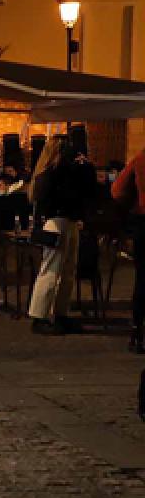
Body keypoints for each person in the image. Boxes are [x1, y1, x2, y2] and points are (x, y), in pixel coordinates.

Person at [28, 137, 96, 335]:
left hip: (69, 220)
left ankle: (60, 313)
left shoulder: (54, 173)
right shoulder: (51, 174)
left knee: (67, 272)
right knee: (51, 270)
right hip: (57, 221)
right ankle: (39, 315)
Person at [112, 150, 145, 352]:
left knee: (142, 279)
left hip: (143, 223)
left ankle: (137, 329)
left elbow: (117, 190)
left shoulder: (141, 158)